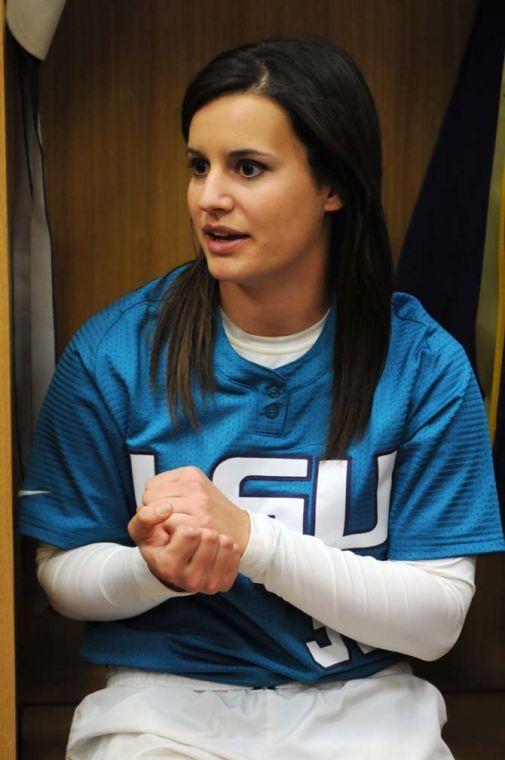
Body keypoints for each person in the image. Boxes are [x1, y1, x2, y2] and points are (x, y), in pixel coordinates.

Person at [17, 34, 505, 759]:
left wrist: (253, 542)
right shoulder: (113, 351)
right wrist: (151, 568)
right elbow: (63, 577)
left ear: (333, 185)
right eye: (197, 165)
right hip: (163, 708)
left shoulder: (423, 363)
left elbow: (435, 621)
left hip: (363, 707)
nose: (209, 198)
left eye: (247, 167)